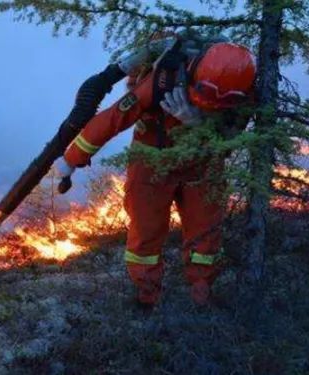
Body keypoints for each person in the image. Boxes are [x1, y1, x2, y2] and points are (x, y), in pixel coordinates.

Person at [55, 39, 257, 306]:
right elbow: (114, 118)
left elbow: (230, 141)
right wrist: (70, 161)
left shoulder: (243, 90)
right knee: (146, 232)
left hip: (203, 161)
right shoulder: (164, 79)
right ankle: (146, 299)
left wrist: (197, 123)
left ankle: (202, 295)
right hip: (152, 159)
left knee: (205, 231)